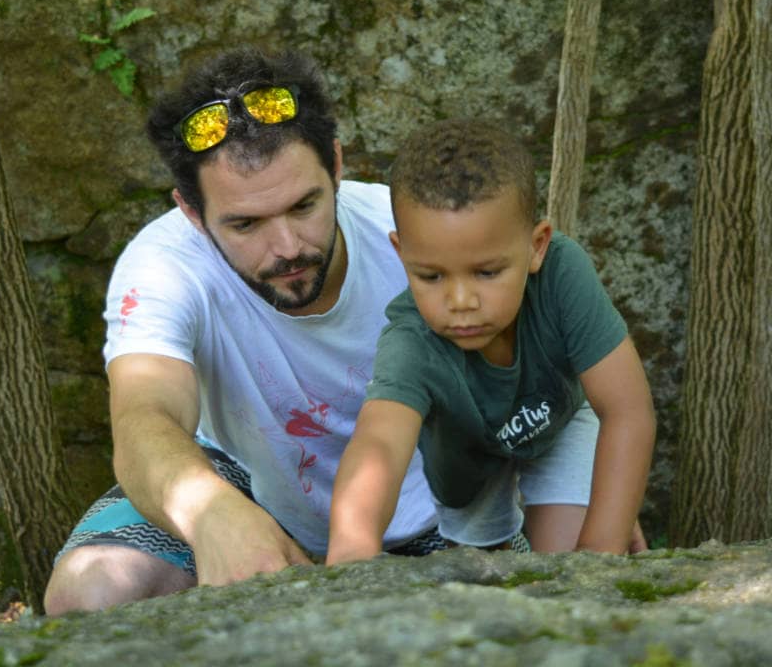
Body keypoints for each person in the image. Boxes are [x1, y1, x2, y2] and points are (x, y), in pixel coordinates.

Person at [42, 48, 624, 615]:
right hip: (245, 490)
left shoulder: (423, 243)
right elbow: (144, 417)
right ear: (192, 214)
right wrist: (211, 513)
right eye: (245, 223)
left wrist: (587, 487)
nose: (287, 247)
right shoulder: (164, 266)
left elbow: (546, 366)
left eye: (304, 207)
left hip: (434, 507)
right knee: (89, 595)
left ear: (338, 167)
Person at [327, 119, 656, 565]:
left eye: (487, 272)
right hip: (464, 456)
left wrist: (601, 549)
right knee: (479, 574)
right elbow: (379, 444)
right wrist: (348, 568)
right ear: (401, 253)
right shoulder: (411, 341)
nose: (461, 301)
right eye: (431, 276)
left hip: (558, 419)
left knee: (565, 564)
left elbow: (627, 409)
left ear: (537, 246)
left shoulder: (563, 275)